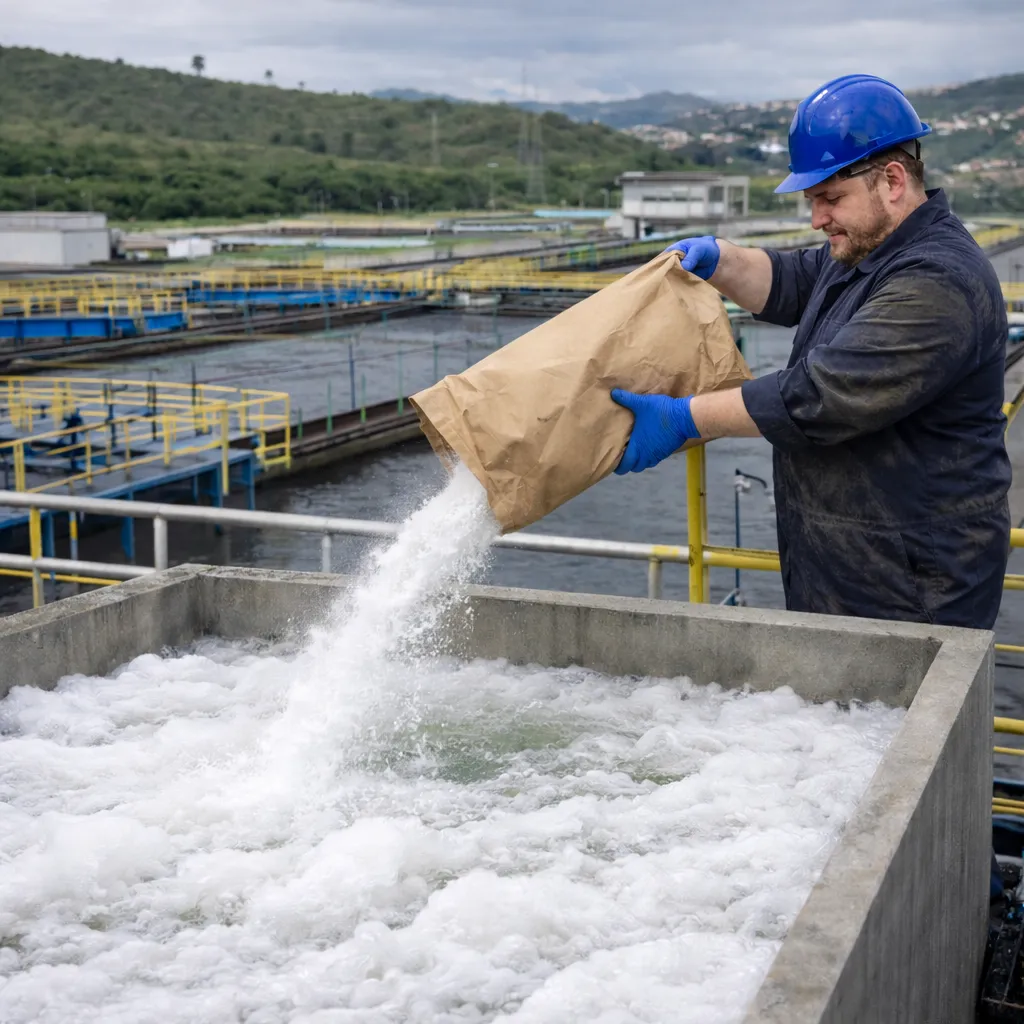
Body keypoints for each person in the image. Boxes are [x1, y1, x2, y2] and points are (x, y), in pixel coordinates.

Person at [612, 73, 1010, 633]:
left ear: (892, 180)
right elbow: (794, 279)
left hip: (914, 586)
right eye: (812, 201)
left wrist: (683, 418)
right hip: (849, 567)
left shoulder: (937, 280)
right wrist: (719, 258)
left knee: (898, 722)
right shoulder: (868, 248)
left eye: (830, 198)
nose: (817, 218)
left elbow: (823, 395)